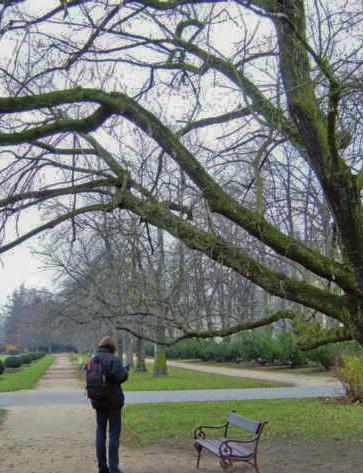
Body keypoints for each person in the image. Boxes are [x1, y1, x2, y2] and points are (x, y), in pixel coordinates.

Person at [89, 336, 129, 473]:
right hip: (113, 402)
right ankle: (113, 467)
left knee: (100, 431)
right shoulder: (114, 359)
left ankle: (102, 467)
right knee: (113, 433)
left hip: (98, 401)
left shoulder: (93, 359)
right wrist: (126, 370)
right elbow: (121, 377)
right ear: (112, 347)